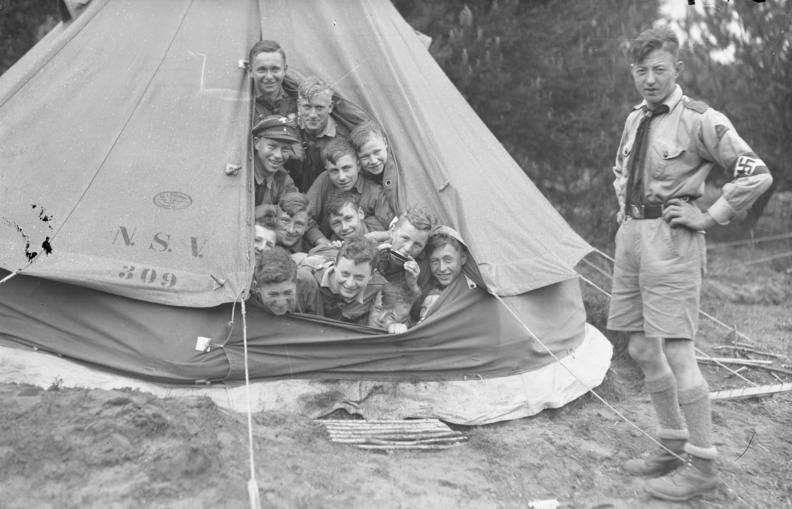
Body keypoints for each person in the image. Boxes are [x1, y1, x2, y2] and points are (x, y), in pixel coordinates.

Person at [607, 26, 773, 502]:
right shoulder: (635, 119)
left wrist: (710, 215)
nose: (650, 79)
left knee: (679, 353)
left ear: (677, 69)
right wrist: (624, 214)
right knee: (640, 348)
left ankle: (702, 464)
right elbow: (622, 172)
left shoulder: (702, 119)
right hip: (633, 240)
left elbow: (755, 173)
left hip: (674, 243)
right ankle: (671, 442)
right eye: (641, 71)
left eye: (659, 69)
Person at [307, 137, 394, 236]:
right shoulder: (324, 180)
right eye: (334, 171)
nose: (341, 177)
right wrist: (321, 241)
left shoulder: (374, 192)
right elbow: (304, 217)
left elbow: (393, 226)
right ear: (327, 170)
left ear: (358, 166)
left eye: (346, 168)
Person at [303, 237, 386, 323]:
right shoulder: (310, 278)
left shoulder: (379, 288)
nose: (350, 284)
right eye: (345, 274)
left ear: (371, 275)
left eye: (359, 277)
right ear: (335, 266)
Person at [294, 76, 350, 192]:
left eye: (319, 108)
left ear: (330, 107)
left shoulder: (343, 137)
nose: (313, 114)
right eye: (307, 107)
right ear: (299, 106)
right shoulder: (290, 129)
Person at [251, 115, 301, 220]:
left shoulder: (283, 179)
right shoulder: (242, 175)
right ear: (257, 143)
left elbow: (298, 210)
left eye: (285, 149)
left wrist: (270, 209)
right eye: (272, 146)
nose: (278, 155)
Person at [349, 122, 399, 214]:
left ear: (385, 143)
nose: (373, 161)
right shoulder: (362, 179)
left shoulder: (397, 169)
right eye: (365, 157)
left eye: (377, 152)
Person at [251, 247, 317, 315]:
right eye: (273, 294)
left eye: (288, 293)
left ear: (296, 284)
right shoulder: (245, 297)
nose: (281, 303)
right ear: (257, 290)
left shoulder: (306, 283)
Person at [249, 40, 297, 123]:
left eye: (275, 69)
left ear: (284, 70)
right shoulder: (243, 104)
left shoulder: (298, 100)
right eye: (262, 70)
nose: (269, 77)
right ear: (251, 71)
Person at [324, 191, 389, 244]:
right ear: (330, 226)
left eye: (348, 218)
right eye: (336, 223)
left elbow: (396, 233)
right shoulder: (334, 244)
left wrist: (385, 235)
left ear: (360, 213)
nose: (344, 227)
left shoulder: (381, 223)